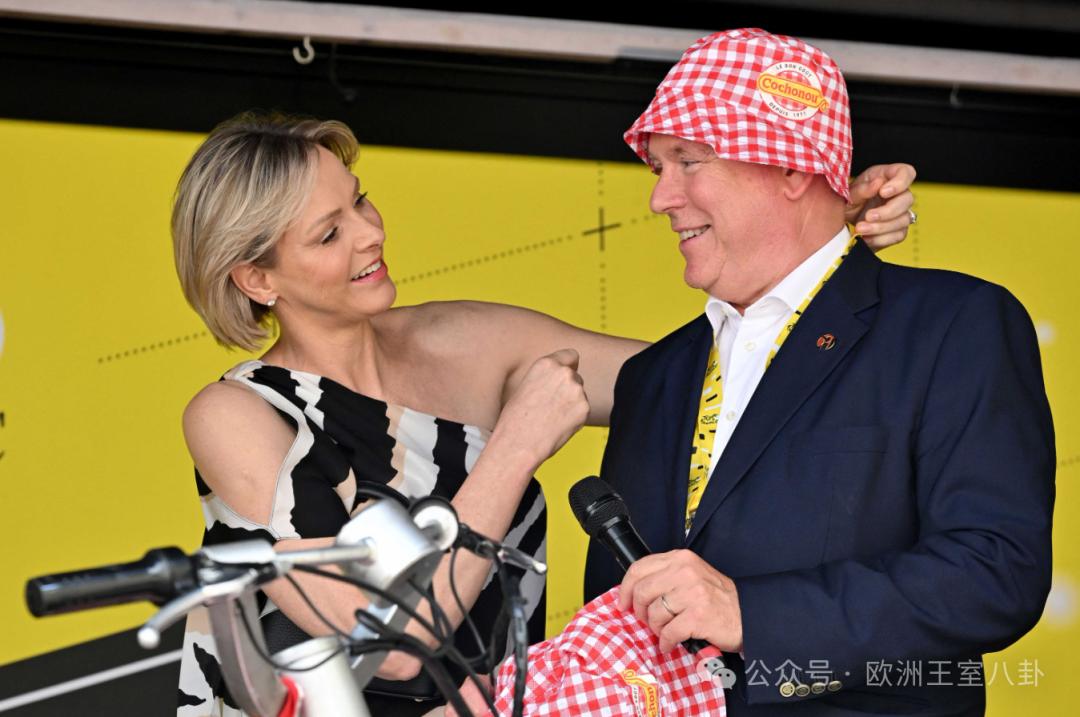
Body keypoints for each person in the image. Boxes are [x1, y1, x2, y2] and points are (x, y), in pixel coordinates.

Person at [170, 111, 916, 716]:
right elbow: (390, 643)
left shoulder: (464, 338)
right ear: (256, 278)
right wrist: (516, 445)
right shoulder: (236, 413)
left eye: (360, 200)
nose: (370, 233)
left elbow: (722, 383)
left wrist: (812, 237)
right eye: (329, 233)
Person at [583, 28, 1055, 715]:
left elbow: (995, 571)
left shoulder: (953, 323)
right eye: (658, 167)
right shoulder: (653, 376)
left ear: (792, 169)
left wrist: (752, 612)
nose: (661, 198)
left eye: (688, 160)